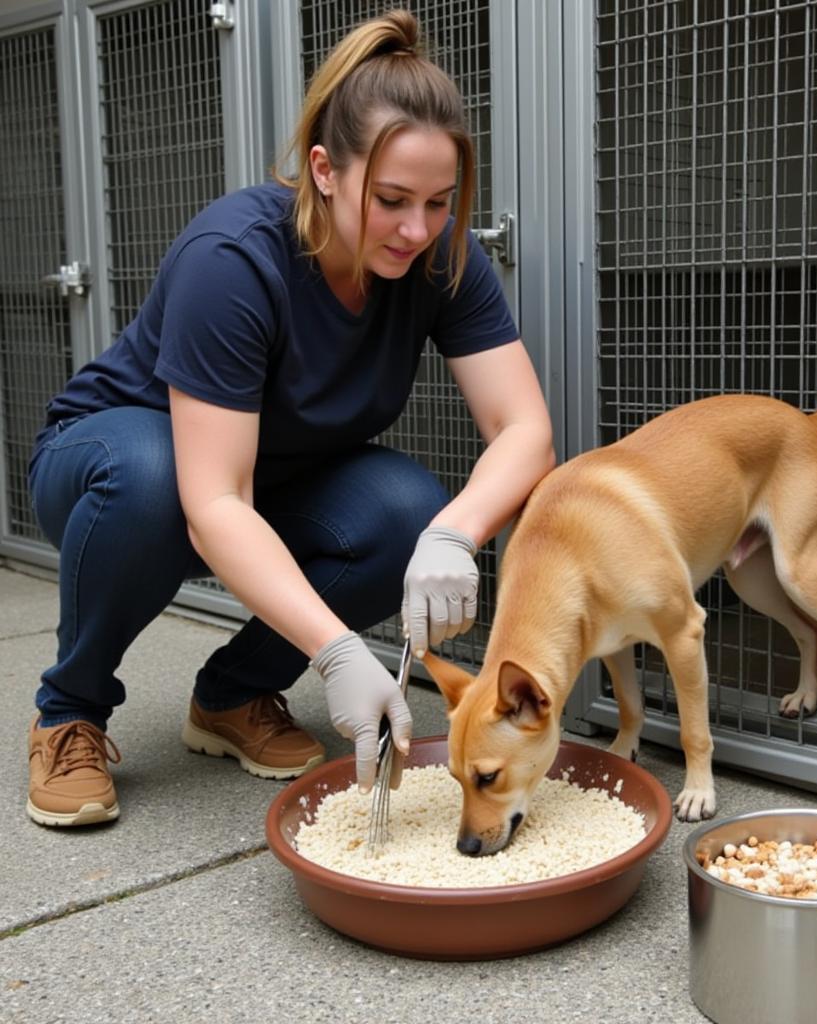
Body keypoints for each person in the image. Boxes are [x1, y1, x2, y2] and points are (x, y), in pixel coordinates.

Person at [25, 9, 555, 828]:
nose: (416, 230)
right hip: (119, 464)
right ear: (325, 170)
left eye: (440, 203)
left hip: (269, 478)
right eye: (391, 200)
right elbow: (214, 502)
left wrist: (457, 533)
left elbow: (526, 430)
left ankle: (232, 697)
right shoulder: (234, 261)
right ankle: (70, 710)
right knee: (151, 478)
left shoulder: (440, 257)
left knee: (410, 513)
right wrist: (338, 651)